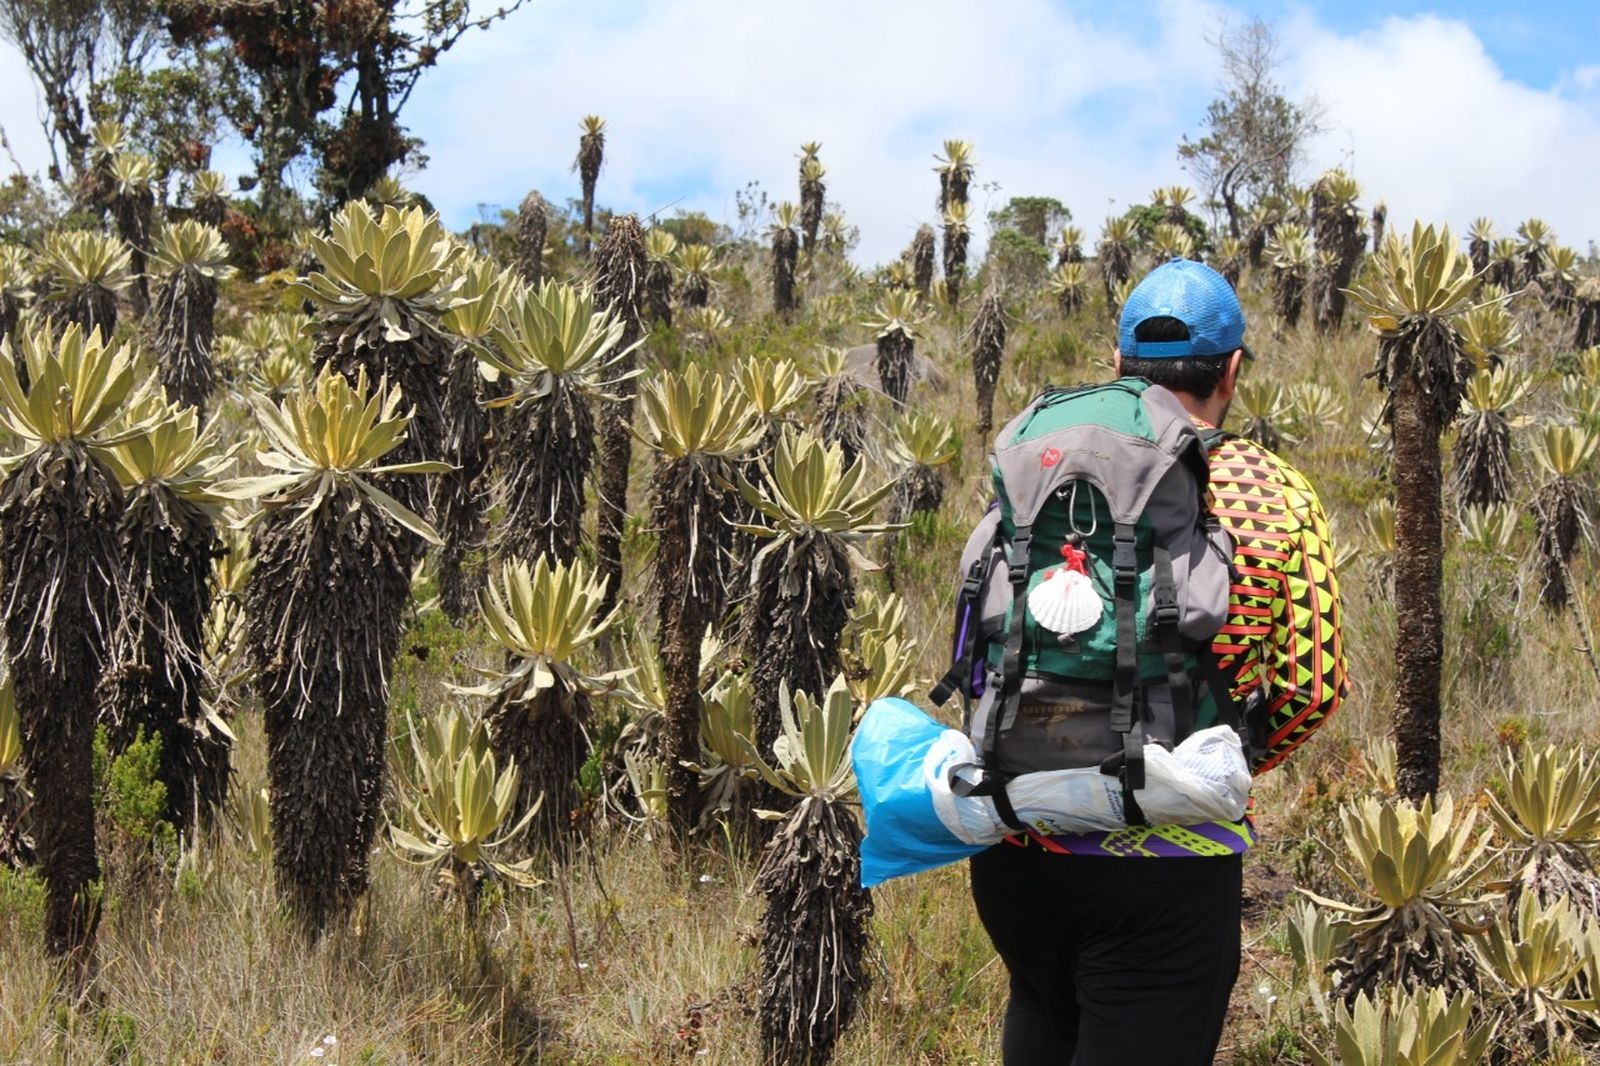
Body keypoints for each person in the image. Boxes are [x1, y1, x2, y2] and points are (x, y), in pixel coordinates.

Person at [968, 258, 1348, 1065]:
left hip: (1019, 844)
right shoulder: (1273, 491)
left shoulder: (1052, 462)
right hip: (1166, 863)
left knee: (1041, 1012)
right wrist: (1222, 761)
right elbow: (1314, 689)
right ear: (1233, 371)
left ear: (1118, 367)